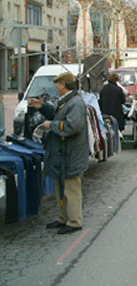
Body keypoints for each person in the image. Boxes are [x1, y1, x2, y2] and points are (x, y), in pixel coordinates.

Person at [28, 72, 89, 235]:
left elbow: (72, 126)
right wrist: (42, 106)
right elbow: (57, 113)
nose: (56, 87)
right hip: (64, 154)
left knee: (70, 189)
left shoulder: (75, 103)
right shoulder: (68, 101)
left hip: (71, 155)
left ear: (64, 84)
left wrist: (51, 125)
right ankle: (64, 218)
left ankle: (75, 221)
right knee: (61, 188)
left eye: (57, 84)